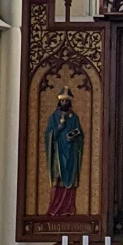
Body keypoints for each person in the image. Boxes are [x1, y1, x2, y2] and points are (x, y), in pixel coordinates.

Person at [44, 90, 84, 219]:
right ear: (59, 101)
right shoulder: (54, 117)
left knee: (70, 181)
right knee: (57, 179)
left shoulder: (74, 117)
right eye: (62, 100)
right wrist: (57, 130)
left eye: (66, 101)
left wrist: (71, 136)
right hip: (58, 153)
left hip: (70, 153)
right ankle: (54, 208)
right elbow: (48, 135)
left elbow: (80, 134)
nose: (64, 103)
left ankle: (68, 208)